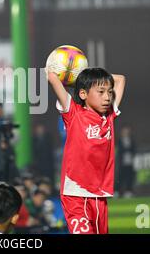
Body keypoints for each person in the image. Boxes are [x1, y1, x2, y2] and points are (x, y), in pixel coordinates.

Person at [47, 66, 126, 234]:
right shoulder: (73, 113)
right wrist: (80, 77)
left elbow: (120, 79)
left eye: (109, 92)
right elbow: (52, 77)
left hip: (99, 195)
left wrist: (93, 78)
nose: (107, 97)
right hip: (74, 194)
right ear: (83, 94)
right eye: (101, 91)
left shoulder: (109, 116)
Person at [116, 125, 136, 197]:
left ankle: (128, 191)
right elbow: (119, 151)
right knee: (120, 177)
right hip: (122, 163)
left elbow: (134, 150)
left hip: (130, 162)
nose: (126, 132)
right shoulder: (119, 141)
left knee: (129, 177)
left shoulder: (131, 140)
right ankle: (117, 191)